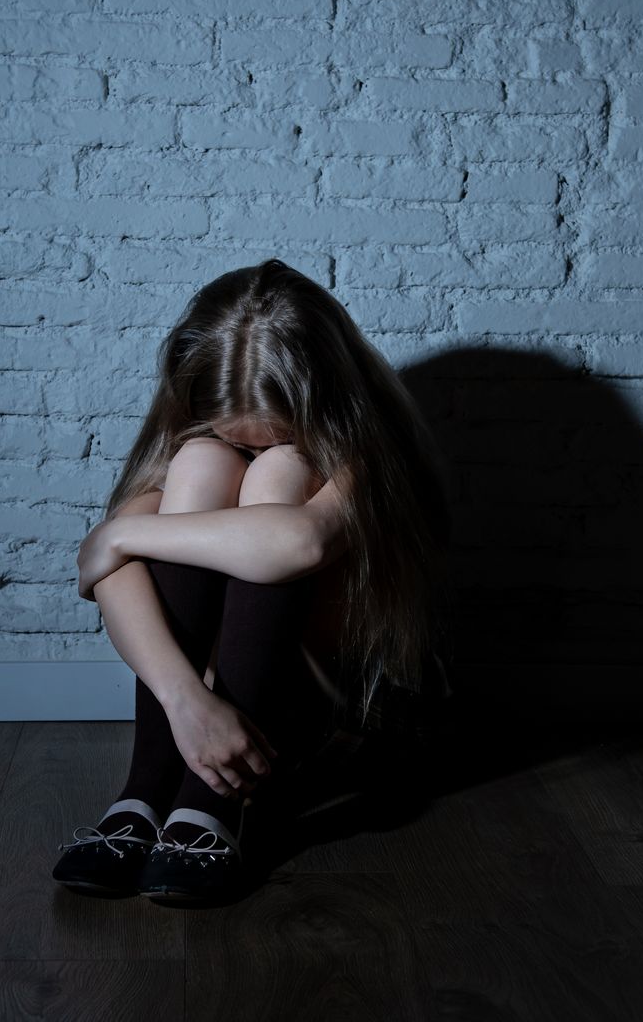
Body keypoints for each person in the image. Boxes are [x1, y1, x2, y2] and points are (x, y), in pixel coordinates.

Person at [52, 257, 454, 904]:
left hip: (319, 708)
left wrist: (119, 534)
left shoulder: (371, 448)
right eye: (238, 436)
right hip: (202, 712)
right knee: (199, 464)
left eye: (272, 435)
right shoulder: (198, 439)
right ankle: (150, 791)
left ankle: (215, 801)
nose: (250, 450)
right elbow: (114, 582)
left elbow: (300, 541)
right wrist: (187, 700)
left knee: (280, 480)